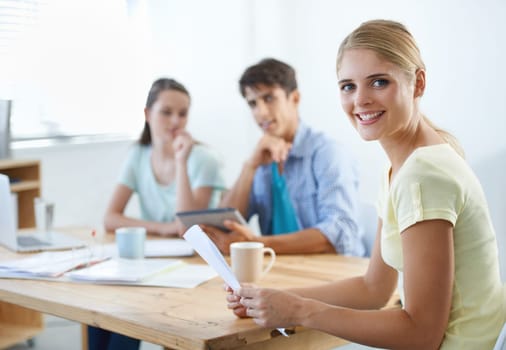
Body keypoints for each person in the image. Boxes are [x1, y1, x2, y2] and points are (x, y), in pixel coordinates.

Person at [226, 20, 506, 349]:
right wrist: (273, 299)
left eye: (378, 82)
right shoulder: (402, 167)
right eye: (348, 86)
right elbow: (373, 288)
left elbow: (421, 334)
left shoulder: (423, 175)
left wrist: (301, 311)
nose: (360, 100)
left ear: (417, 83)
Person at [90, 78, 226, 350]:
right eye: (166, 112)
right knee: (103, 314)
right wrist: (162, 228)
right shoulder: (138, 155)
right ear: (147, 114)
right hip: (156, 261)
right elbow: (111, 218)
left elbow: (186, 225)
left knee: (126, 316)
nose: (175, 120)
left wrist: (181, 161)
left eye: (183, 113)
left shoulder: (203, 159)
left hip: (194, 269)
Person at [202, 58, 365, 256]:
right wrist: (249, 167)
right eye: (253, 103)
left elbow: (340, 232)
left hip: (335, 273)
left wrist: (257, 244)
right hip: (283, 269)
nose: (261, 112)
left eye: (269, 98)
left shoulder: (327, 153)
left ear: (294, 99)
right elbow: (225, 225)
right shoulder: (261, 159)